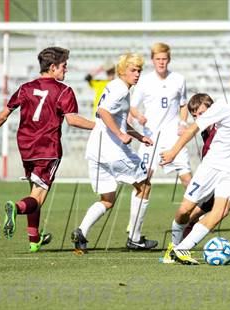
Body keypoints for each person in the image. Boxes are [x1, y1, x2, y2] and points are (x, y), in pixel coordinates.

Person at [0, 47, 96, 253]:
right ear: (53, 68)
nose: (66, 70)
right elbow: (72, 120)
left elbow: (4, 114)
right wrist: (99, 126)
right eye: (64, 66)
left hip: (26, 147)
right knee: (37, 197)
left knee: (34, 191)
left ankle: (34, 239)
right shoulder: (63, 91)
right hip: (48, 148)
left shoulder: (25, 88)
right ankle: (15, 208)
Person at [160, 67, 230, 265]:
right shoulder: (223, 106)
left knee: (222, 211)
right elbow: (194, 127)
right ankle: (173, 247)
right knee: (185, 210)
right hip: (212, 165)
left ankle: (183, 249)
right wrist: (173, 152)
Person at [71, 53, 158, 253]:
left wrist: (137, 135)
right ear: (122, 71)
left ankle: (81, 231)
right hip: (112, 150)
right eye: (133, 70)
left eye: (139, 71)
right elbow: (103, 111)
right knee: (144, 186)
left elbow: (115, 117)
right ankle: (135, 239)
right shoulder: (120, 90)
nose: (137, 75)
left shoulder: (113, 86)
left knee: (108, 199)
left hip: (96, 149)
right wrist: (120, 135)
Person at [128, 42, 191, 232]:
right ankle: (133, 225)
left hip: (172, 138)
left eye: (164, 59)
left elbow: (183, 104)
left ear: (169, 60)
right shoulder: (145, 81)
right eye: (158, 59)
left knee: (187, 179)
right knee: (144, 179)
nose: (161, 62)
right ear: (152, 60)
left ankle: (195, 218)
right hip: (150, 138)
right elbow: (132, 106)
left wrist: (182, 123)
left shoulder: (179, 79)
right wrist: (138, 116)